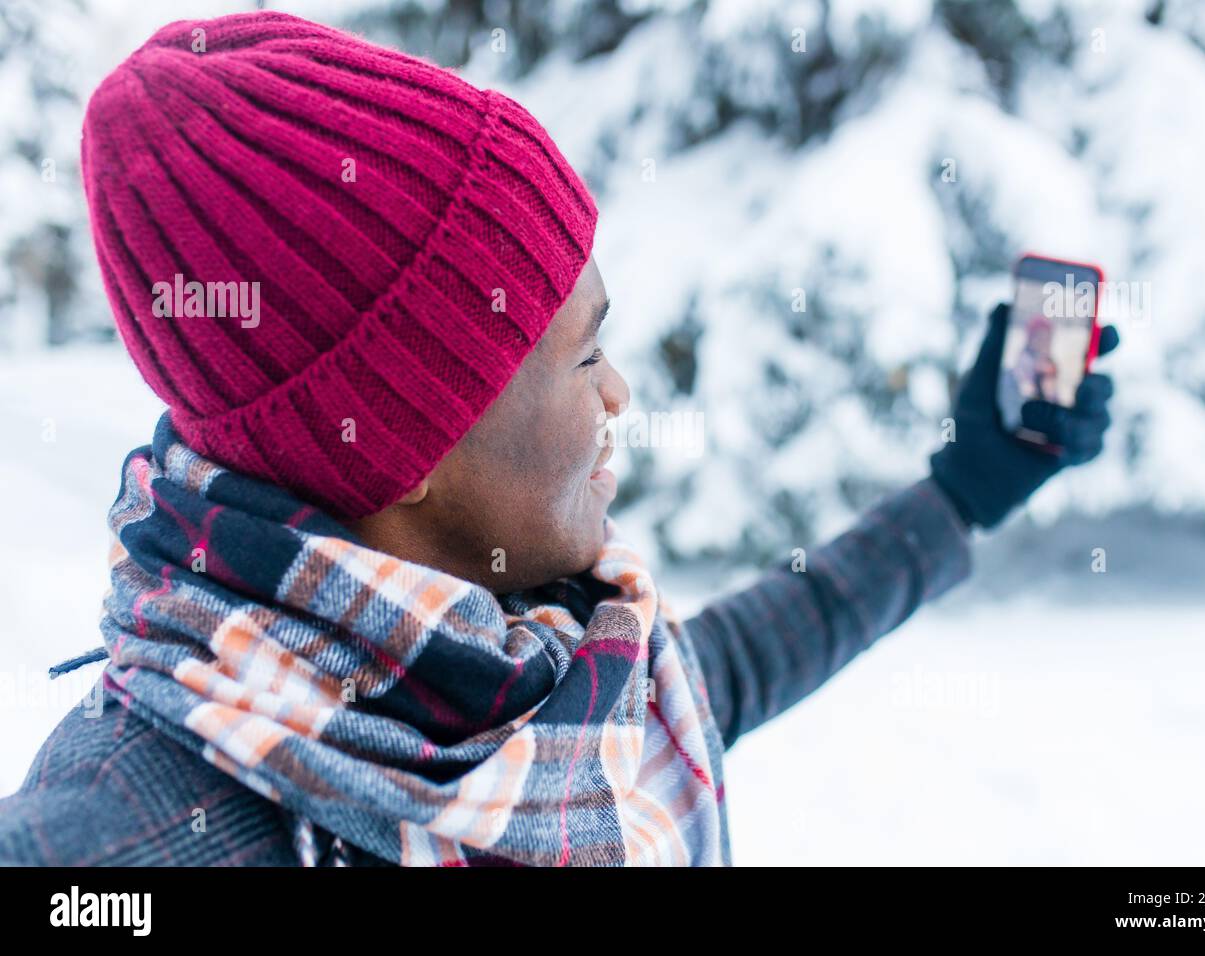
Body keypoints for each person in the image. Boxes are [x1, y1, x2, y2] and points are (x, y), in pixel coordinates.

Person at [0, 11, 1118, 866]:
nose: (619, 391)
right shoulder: (120, 827)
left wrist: (965, 488)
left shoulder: (537, 668)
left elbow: (733, 661)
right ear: (408, 440)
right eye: (584, 355)